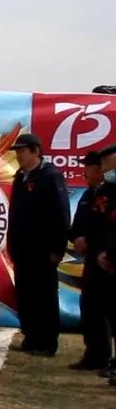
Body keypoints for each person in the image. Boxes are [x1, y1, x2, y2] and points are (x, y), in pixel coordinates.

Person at [7, 133, 70, 357]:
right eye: (16, 152)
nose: (18, 156)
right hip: (22, 250)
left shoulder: (50, 176)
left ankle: (46, 341)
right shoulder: (20, 177)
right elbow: (14, 214)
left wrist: (58, 249)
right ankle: (31, 336)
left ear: (35, 151)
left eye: (22, 151)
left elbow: (61, 214)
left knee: (44, 296)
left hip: (43, 250)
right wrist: (11, 246)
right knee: (26, 295)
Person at [66, 151, 111, 370]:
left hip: (108, 259)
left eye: (89, 167)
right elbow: (76, 227)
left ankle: (105, 357)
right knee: (90, 307)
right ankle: (93, 355)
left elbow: (107, 228)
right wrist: (77, 238)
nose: (85, 172)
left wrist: (92, 242)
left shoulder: (109, 193)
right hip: (92, 261)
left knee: (107, 309)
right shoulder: (87, 195)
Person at [90, 145, 116, 381]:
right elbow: (103, 225)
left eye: (107, 163)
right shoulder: (106, 190)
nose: (104, 168)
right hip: (106, 258)